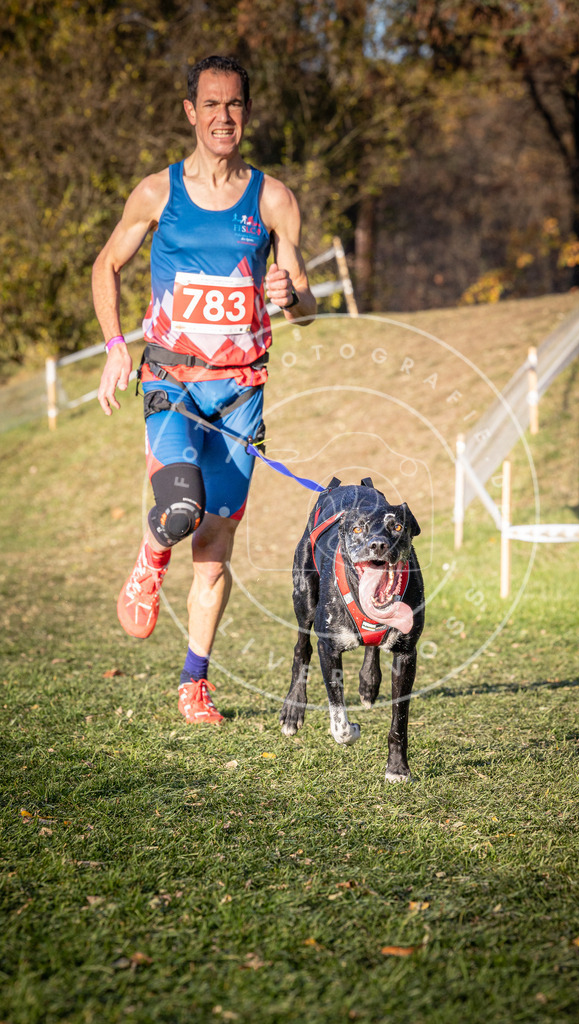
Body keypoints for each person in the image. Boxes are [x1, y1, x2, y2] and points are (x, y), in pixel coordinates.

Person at [92, 55, 316, 724]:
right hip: (172, 382)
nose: (224, 116)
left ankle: (194, 683)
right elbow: (106, 264)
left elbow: (304, 304)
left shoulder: (273, 200)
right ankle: (150, 556)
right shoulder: (156, 193)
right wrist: (115, 347)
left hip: (240, 395)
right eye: (211, 104)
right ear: (191, 112)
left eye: (234, 104)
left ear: (247, 111)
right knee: (181, 505)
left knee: (213, 555)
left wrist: (291, 295)